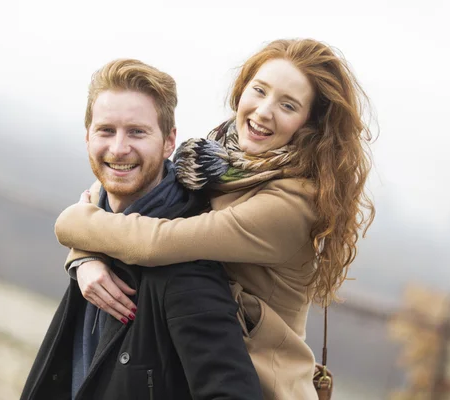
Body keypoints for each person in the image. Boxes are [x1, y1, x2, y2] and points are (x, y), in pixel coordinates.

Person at [55, 38, 376, 399]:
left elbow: (156, 242)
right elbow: (126, 201)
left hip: (255, 386)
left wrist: (73, 225)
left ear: (310, 124)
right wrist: (84, 257)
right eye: (260, 90)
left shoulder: (292, 204)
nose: (264, 111)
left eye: (288, 105)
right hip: (190, 373)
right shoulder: (222, 166)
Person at [20, 59, 262, 400]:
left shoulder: (186, 269)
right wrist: (83, 256)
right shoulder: (94, 228)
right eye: (106, 130)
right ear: (87, 136)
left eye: (137, 132)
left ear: (168, 141)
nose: (119, 148)